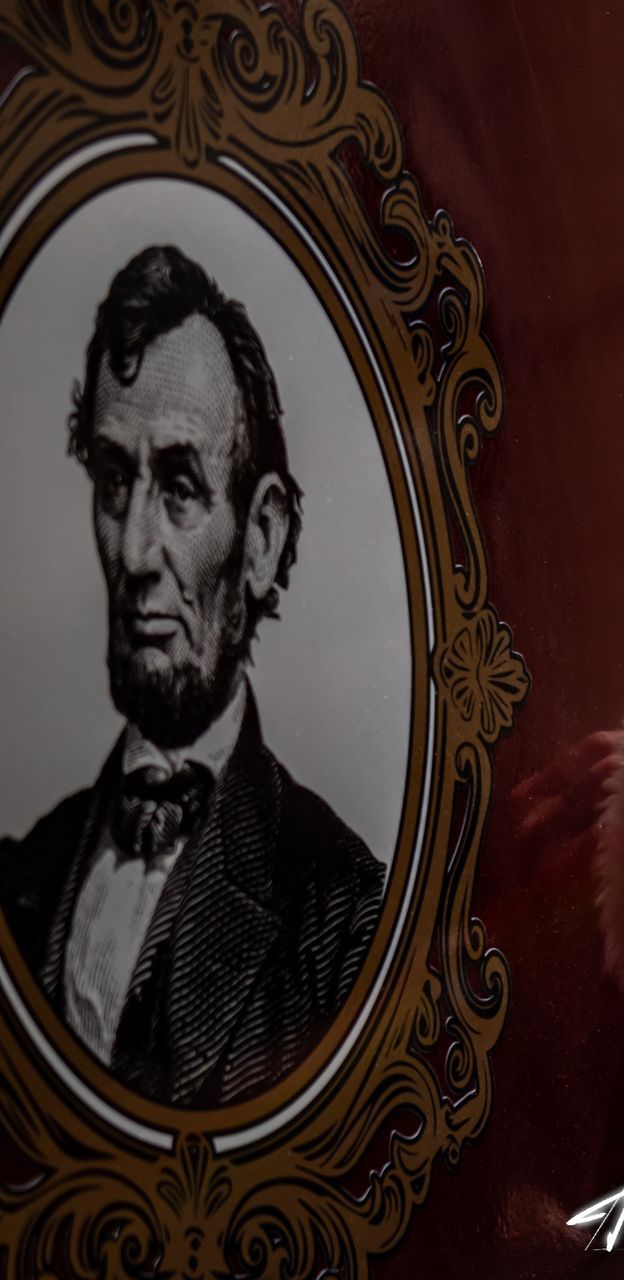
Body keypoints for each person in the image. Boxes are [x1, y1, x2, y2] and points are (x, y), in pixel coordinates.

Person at [0, 244, 384, 1109]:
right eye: (112, 480)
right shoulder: (22, 876)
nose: (134, 551)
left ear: (261, 538)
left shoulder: (343, 917)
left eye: (179, 488)